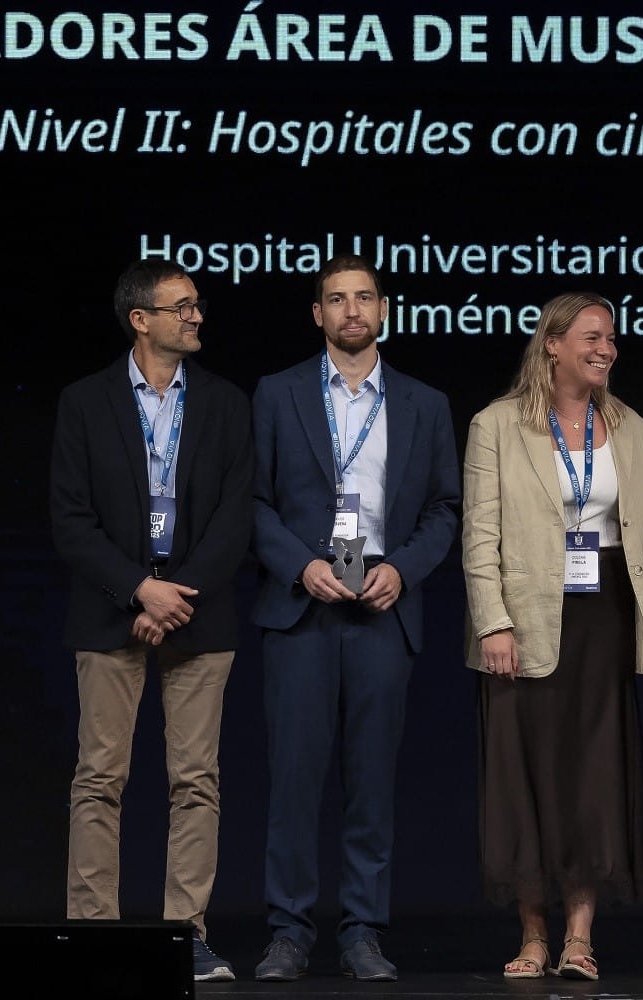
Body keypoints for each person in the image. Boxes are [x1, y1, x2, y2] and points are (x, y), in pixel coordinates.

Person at [250, 254, 461, 983]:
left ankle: (363, 932)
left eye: (364, 297)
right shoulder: (277, 393)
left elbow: (444, 508)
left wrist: (401, 568)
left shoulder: (424, 402)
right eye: (336, 299)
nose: (351, 310)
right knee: (294, 781)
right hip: (302, 606)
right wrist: (298, 565)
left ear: (383, 310)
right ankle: (288, 933)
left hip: (381, 604)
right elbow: (254, 502)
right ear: (318, 314)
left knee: (371, 784)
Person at [49, 257, 253, 982]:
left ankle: (184, 936)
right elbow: (70, 520)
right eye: (181, 307)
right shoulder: (85, 401)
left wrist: (173, 596)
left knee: (196, 781)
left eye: (197, 305)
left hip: (199, 615)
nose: (196, 317)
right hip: (110, 615)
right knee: (98, 779)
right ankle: (92, 937)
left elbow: (235, 516)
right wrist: (140, 590)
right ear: (140, 320)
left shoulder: (226, 403)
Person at [461, 293, 643, 982]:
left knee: (593, 777)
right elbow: (480, 534)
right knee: (525, 775)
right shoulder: (497, 424)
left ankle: (580, 938)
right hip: (525, 618)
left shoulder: (630, 427)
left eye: (611, 338)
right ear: (552, 344)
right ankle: (533, 936)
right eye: (591, 337)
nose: (606, 349)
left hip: (603, 616)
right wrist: (492, 621)